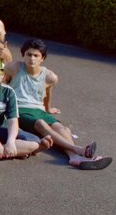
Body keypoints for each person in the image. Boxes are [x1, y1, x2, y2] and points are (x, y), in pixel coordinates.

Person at [6, 39, 110, 170]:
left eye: (36, 55)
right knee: (41, 124)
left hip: (38, 110)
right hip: (19, 109)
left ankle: (74, 158)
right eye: (29, 54)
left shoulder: (50, 76)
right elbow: (1, 84)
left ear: (42, 58)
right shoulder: (13, 68)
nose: (31, 58)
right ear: (23, 55)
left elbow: (47, 93)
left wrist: (48, 108)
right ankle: (79, 150)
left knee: (63, 129)